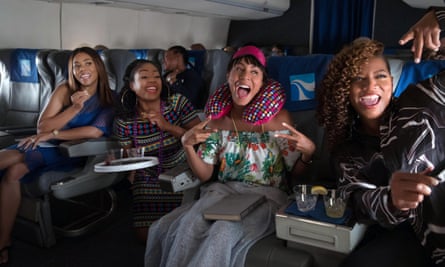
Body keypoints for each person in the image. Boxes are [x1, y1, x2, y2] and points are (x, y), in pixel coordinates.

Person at [145, 45, 316, 267]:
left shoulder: (278, 119)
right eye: (239, 69)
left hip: (267, 196)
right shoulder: (215, 121)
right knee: (184, 227)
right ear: (228, 75)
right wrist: (187, 145)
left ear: (262, 82)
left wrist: (309, 152)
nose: (245, 75)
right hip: (222, 193)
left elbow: (296, 174)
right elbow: (205, 174)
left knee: (223, 232)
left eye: (254, 72)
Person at [316, 35, 445, 267]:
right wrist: (392, 199)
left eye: (380, 76)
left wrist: (440, 17)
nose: (370, 86)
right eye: (358, 78)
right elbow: (357, 201)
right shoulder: (347, 151)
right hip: (404, 234)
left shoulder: (421, 103)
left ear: (392, 81)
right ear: (346, 89)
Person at [0, 46, 115, 264]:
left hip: (70, 151)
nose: (83, 69)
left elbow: (94, 132)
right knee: (12, 172)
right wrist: (73, 108)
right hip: (44, 145)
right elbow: (41, 125)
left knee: (14, 165)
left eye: (88, 63)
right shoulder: (64, 90)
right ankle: (3, 242)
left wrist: (53, 134)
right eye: (76, 65)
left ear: (98, 66)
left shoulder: (109, 98)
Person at [113, 59, 201, 243]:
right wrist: (120, 163)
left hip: (181, 170)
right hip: (147, 177)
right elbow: (129, 158)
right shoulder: (124, 121)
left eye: (156, 76)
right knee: (145, 237)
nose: (153, 81)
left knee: (181, 232)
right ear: (131, 85)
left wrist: (167, 126)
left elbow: (201, 139)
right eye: (144, 77)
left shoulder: (177, 103)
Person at [163, 45, 206, 109]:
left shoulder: (192, 76)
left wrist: (174, 82)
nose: (163, 61)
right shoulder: (166, 75)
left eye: (166, 57)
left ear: (178, 57)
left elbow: (189, 101)